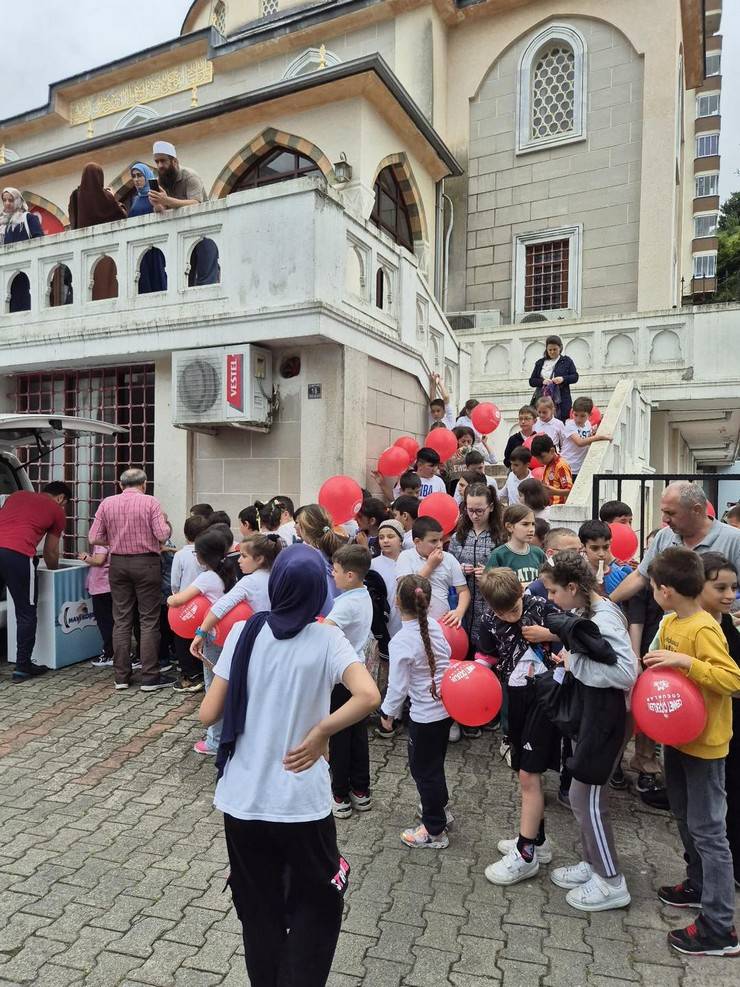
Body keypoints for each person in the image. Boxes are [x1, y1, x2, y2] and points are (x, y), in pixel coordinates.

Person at [199, 543, 380, 986]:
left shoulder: (244, 633)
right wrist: (321, 733)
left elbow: (208, 715)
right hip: (301, 803)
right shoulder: (326, 637)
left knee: (257, 910)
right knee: (316, 906)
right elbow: (369, 695)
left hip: (242, 801)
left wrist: (221, 668)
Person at [645, 547, 740, 955]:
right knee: (684, 816)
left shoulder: (702, 629)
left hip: (706, 745)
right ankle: (698, 884)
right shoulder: (669, 621)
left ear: (665, 590)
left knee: (710, 832)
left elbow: (731, 678)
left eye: (651, 586)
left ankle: (719, 928)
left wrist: (684, 662)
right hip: (678, 738)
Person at [540, 551, 637, 912]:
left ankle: (611, 881)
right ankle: (594, 862)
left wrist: (575, 663)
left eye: (553, 592)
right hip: (594, 716)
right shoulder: (586, 612)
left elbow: (626, 673)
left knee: (588, 800)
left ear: (572, 586)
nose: (551, 599)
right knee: (583, 797)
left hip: (606, 719)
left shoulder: (605, 619)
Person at [479, 568, 561, 886]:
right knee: (522, 770)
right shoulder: (488, 620)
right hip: (515, 698)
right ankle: (537, 842)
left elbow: (573, 637)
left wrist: (549, 636)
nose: (511, 615)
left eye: (514, 607)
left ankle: (525, 853)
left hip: (545, 695)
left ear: (521, 593)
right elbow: (486, 656)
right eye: (503, 612)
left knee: (529, 775)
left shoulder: (542, 606)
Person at [379, 575, 453, 848]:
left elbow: (397, 687)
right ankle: (440, 810)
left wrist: (388, 714)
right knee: (434, 766)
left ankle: (434, 831)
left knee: (424, 772)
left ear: (397, 603)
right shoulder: (433, 626)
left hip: (424, 716)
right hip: (445, 711)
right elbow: (446, 656)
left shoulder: (401, 641)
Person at [88, 468, 172, 692]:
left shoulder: (107, 503)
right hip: (146, 563)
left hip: (118, 564)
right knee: (148, 619)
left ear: (120, 484)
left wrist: (113, 540)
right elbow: (163, 535)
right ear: (144, 484)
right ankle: (150, 677)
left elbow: (93, 536)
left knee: (121, 619)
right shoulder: (150, 502)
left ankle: (121, 677)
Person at [611, 481, 740, 605]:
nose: (665, 519)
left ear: (697, 510)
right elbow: (640, 576)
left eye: (671, 513)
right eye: (663, 512)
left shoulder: (734, 540)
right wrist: (607, 603)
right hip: (673, 625)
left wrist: (732, 621)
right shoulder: (664, 536)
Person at [168, 529, 237, 754]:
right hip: (230, 634)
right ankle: (230, 732)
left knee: (214, 687)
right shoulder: (229, 572)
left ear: (203, 555)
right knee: (228, 683)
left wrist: (169, 598)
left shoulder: (207, 577)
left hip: (212, 636)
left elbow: (180, 599)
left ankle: (215, 741)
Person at [698, 553, 740, 889]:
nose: (729, 595)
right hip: (703, 729)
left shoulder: (726, 628)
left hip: (724, 729)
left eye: (734, 588)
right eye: (721, 587)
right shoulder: (688, 625)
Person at [0, 481, 71, 681]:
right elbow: (50, 551)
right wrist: (55, 573)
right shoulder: (57, 511)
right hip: (18, 555)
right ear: (60, 498)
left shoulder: (17, 495)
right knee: (26, 612)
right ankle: (23, 667)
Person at [324, 545, 374, 818]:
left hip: (342, 677)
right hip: (358, 673)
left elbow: (325, 634)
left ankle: (340, 793)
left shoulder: (345, 604)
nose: (333, 573)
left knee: (339, 736)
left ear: (352, 575)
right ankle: (361, 790)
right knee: (356, 733)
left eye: (337, 570)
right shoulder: (362, 595)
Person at [191, 533, 281, 670]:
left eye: (244, 556)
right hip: (275, 640)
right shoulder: (279, 577)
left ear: (260, 559)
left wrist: (201, 633)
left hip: (254, 640)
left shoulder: (249, 581)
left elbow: (220, 607)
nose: (239, 560)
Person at [149, 140, 219, 285]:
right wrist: (157, 205)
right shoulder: (160, 181)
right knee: (183, 280)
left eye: (163, 161)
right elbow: (162, 210)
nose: (160, 165)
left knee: (206, 278)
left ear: (174, 161)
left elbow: (195, 203)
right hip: (180, 233)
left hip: (204, 229)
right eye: (157, 161)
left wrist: (166, 200)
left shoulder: (190, 176)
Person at [449, 483, 504, 655]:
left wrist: (490, 574)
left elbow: (509, 572)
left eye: (480, 510)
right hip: (462, 606)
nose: (474, 515)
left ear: (491, 507)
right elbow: (449, 567)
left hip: (491, 604)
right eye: (470, 510)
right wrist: (459, 569)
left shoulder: (501, 536)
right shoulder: (458, 536)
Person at [396, 517, 470, 627]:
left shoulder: (448, 558)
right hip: (414, 624)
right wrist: (430, 566)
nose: (440, 545)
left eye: (441, 539)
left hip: (443, 623)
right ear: (417, 542)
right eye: (433, 541)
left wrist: (459, 612)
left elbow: (463, 591)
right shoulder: (406, 557)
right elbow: (406, 590)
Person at [170, 515, 209, 691]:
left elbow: (174, 583)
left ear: (185, 534)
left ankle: (189, 675)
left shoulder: (180, 555)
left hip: (185, 603)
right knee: (203, 636)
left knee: (182, 638)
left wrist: (175, 597)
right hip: (206, 604)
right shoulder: (208, 553)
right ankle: (203, 671)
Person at [124, 161, 168, 294]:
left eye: (139, 176)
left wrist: (158, 204)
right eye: (134, 176)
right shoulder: (135, 199)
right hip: (138, 247)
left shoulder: (156, 195)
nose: (136, 180)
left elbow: (162, 213)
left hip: (154, 247)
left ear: (147, 176)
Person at [296, 504, 348, 615]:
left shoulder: (308, 556)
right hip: (341, 616)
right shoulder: (337, 549)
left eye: (298, 524)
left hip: (322, 619)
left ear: (304, 529)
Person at [486, 506, 546, 588]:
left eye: (533, 524)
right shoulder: (499, 555)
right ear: (509, 527)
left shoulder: (538, 553)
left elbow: (548, 581)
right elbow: (489, 586)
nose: (531, 529)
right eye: (525, 524)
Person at [528, 334, 579, 421]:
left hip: (561, 400)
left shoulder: (566, 361)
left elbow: (575, 377)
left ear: (560, 348)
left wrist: (563, 379)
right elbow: (532, 381)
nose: (552, 352)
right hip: (542, 399)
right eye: (550, 350)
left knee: (561, 422)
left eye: (555, 349)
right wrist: (542, 382)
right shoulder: (540, 362)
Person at [79, 544, 114, 668]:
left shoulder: (102, 543)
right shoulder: (114, 540)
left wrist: (85, 557)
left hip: (101, 589)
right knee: (112, 621)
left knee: (105, 622)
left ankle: (110, 653)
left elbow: (99, 560)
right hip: (110, 586)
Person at [371, 519, 404, 642]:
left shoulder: (409, 558)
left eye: (390, 536)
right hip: (385, 617)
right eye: (381, 537)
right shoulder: (373, 564)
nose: (385, 540)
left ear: (400, 539)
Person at [562, 397, 611, 480]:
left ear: (589, 415)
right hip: (568, 465)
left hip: (580, 466)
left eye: (582, 416)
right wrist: (598, 437)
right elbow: (580, 442)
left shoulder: (588, 424)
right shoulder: (570, 425)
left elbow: (588, 440)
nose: (578, 419)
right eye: (575, 415)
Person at [579, 520, 632, 594]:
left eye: (605, 547)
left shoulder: (622, 576)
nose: (601, 554)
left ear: (610, 543)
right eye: (595, 548)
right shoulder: (578, 577)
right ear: (583, 547)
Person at [68, 163, 127, 229]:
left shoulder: (75, 195)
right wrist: (113, 198)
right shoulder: (106, 196)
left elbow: (73, 220)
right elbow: (122, 215)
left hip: (83, 237)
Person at [531, 435, 573, 506]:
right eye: (537, 458)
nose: (540, 461)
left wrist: (555, 492)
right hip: (548, 508)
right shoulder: (548, 464)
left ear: (552, 451)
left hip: (558, 509)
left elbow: (570, 491)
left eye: (542, 457)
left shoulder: (561, 466)